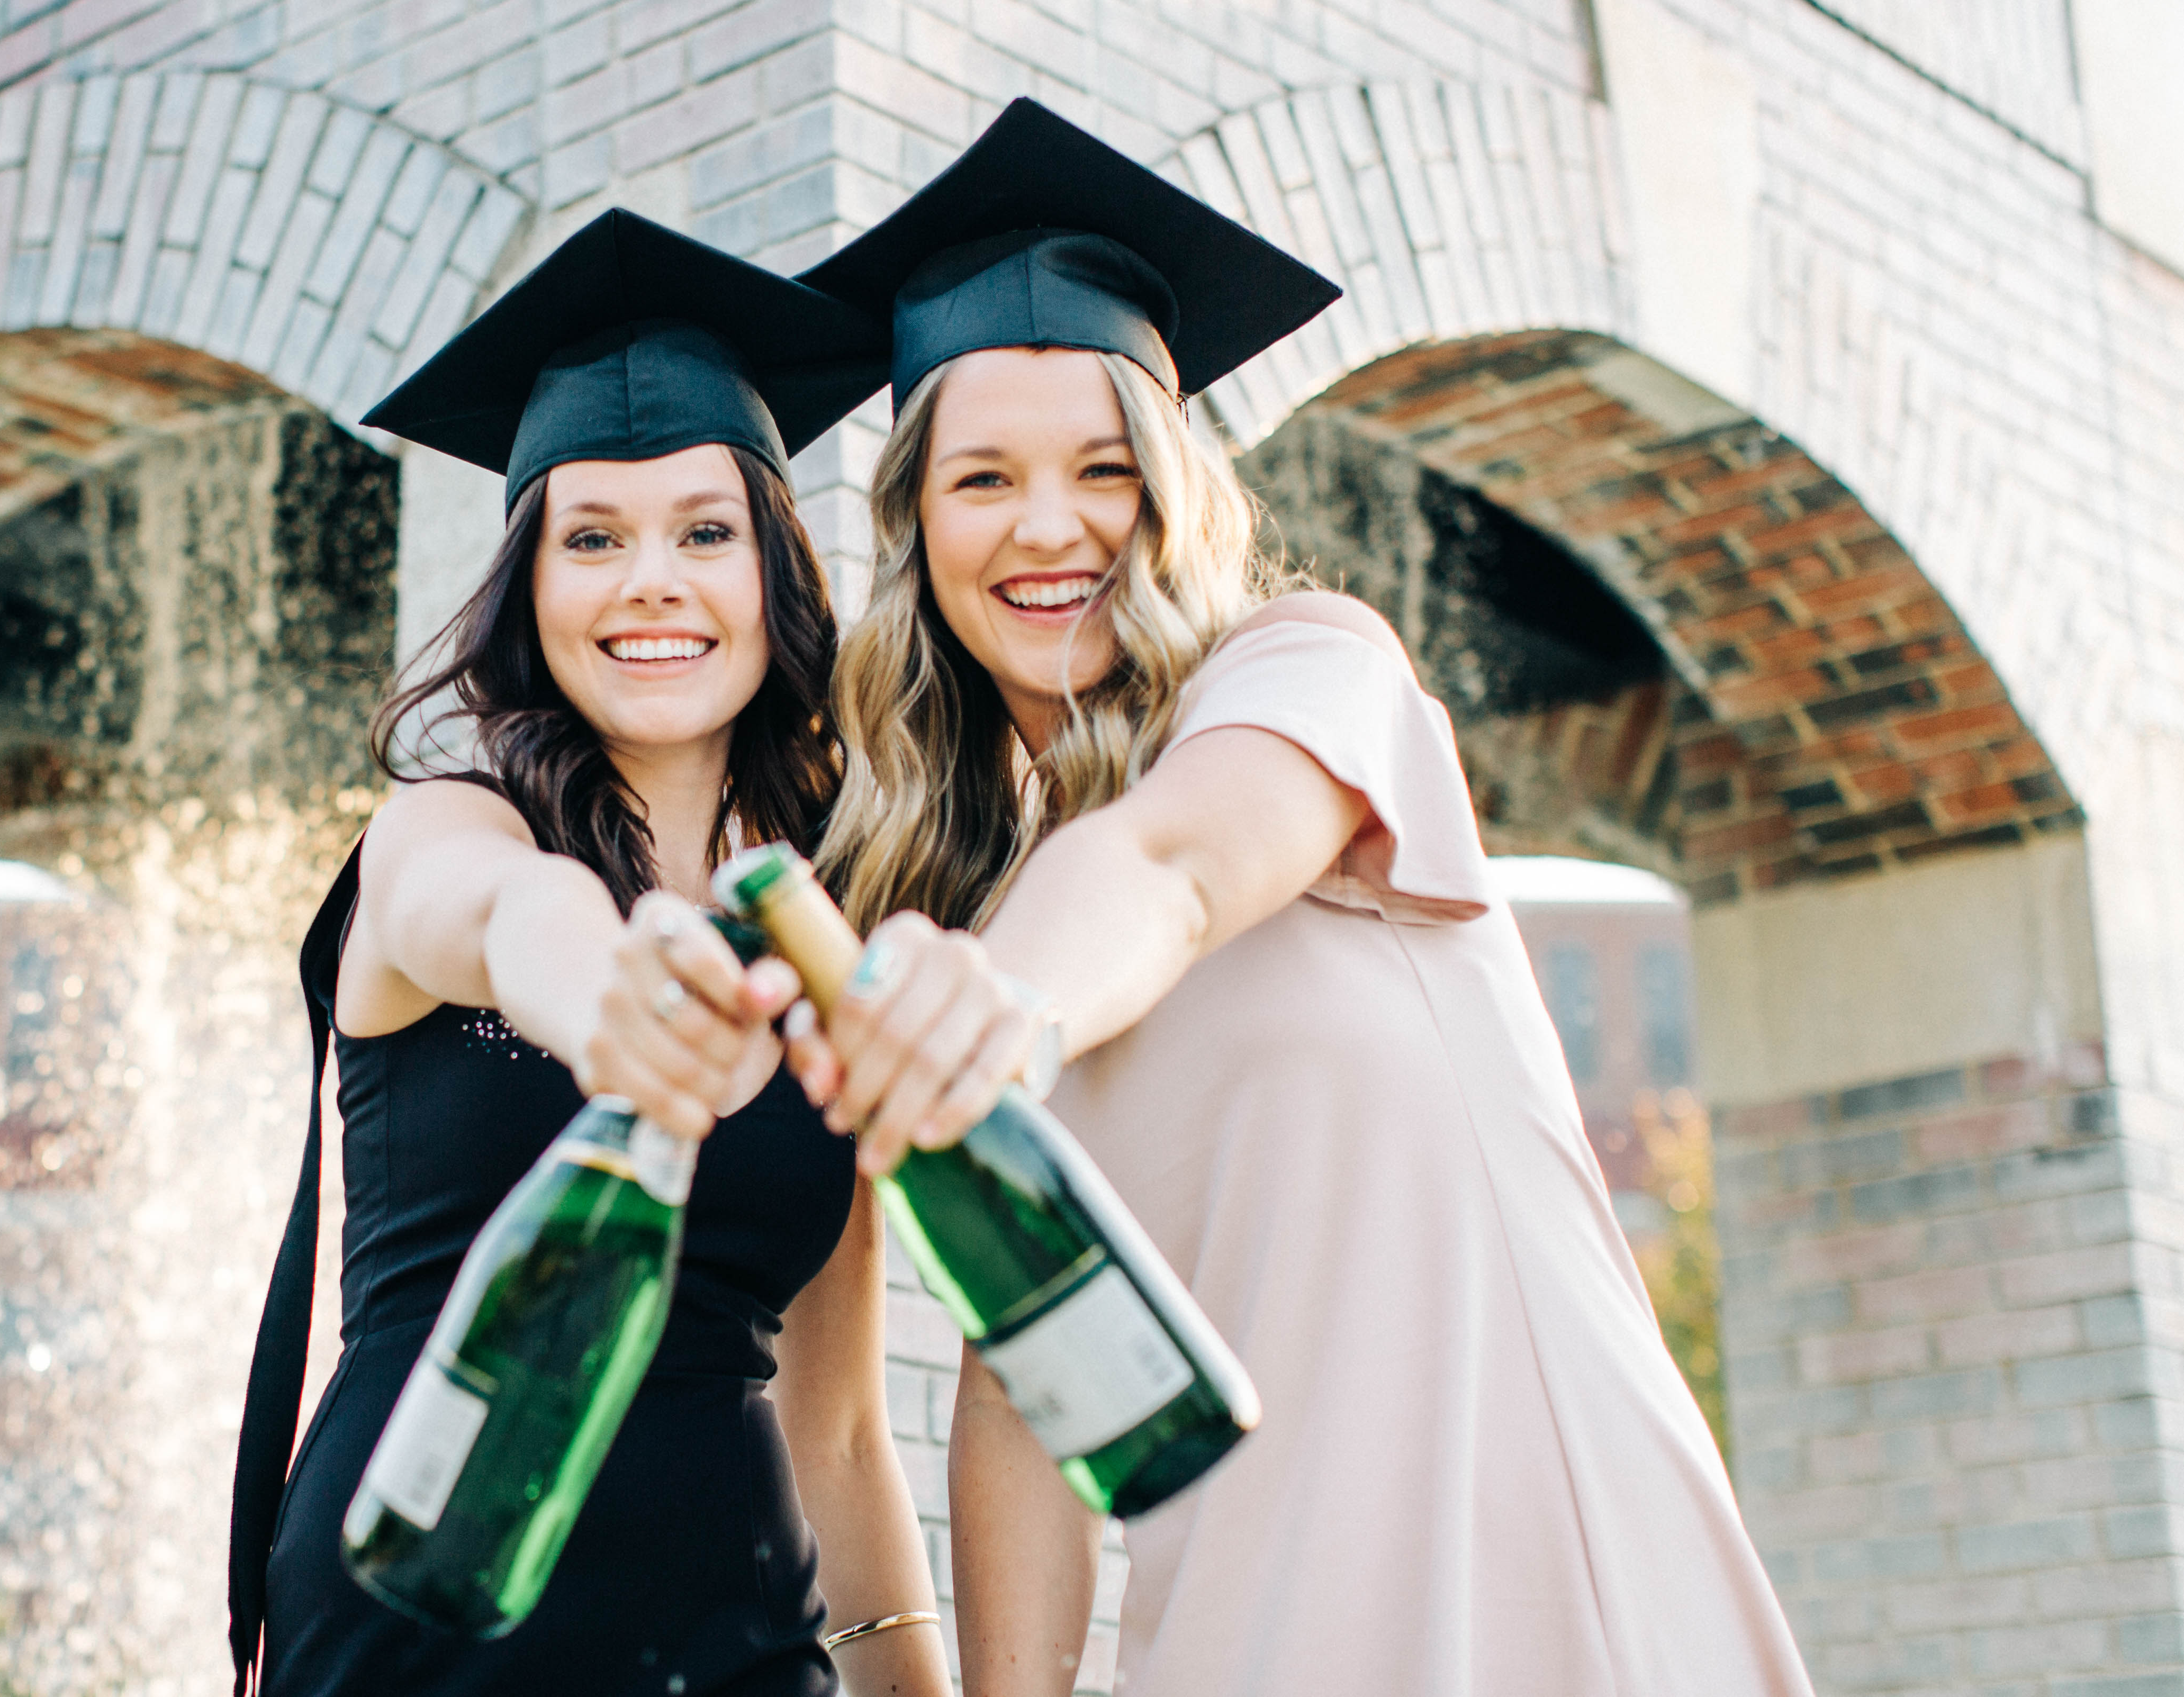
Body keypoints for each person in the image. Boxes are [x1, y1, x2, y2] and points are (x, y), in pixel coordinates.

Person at [788, 102, 1815, 1696]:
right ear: (918, 529)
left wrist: (1003, 1009)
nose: (1045, 526)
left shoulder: (1302, 673)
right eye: (981, 478)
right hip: (1249, 1626)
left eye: (1102, 469)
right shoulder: (976, 912)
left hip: (1527, 1567)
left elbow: (1176, 868)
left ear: (1177, 492)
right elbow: (1024, 1386)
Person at [224, 209, 952, 1697]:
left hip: (735, 1636)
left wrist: (914, 1684)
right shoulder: (442, 829)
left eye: (704, 534)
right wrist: (605, 993)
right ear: (529, 589)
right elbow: (491, 920)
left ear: (774, 578)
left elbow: (838, 1426)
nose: (651, 585)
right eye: (593, 541)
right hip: (418, 1619)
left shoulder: (819, 934)